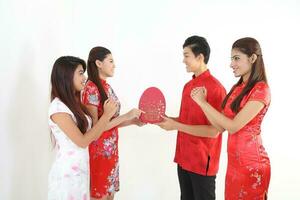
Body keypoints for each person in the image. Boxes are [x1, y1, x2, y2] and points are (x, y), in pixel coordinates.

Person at [191, 37, 271, 199]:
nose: (231, 64)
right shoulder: (237, 88)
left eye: (237, 58)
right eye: (231, 59)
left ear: (253, 58)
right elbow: (220, 126)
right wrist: (202, 103)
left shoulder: (261, 89)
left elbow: (234, 126)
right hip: (234, 165)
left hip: (252, 164)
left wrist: (203, 103)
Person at [156, 36, 226, 200]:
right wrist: (168, 119)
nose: (183, 60)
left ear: (200, 57)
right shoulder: (188, 86)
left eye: (186, 55)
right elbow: (187, 120)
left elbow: (214, 131)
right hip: (183, 159)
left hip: (202, 163)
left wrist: (176, 126)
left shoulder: (216, 89)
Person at [48, 56, 118, 200]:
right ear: (66, 76)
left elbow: (95, 131)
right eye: (80, 73)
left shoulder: (74, 104)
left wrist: (129, 120)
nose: (85, 77)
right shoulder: (58, 108)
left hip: (81, 171)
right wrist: (106, 116)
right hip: (67, 176)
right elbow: (83, 141)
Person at [81, 46, 144, 200]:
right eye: (110, 61)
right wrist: (126, 116)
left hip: (111, 152)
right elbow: (96, 129)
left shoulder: (106, 86)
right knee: (100, 196)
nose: (114, 65)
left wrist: (132, 121)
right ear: (98, 63)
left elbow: (111, 122)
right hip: (99, 153)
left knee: (110, 195)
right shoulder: (91, 88)